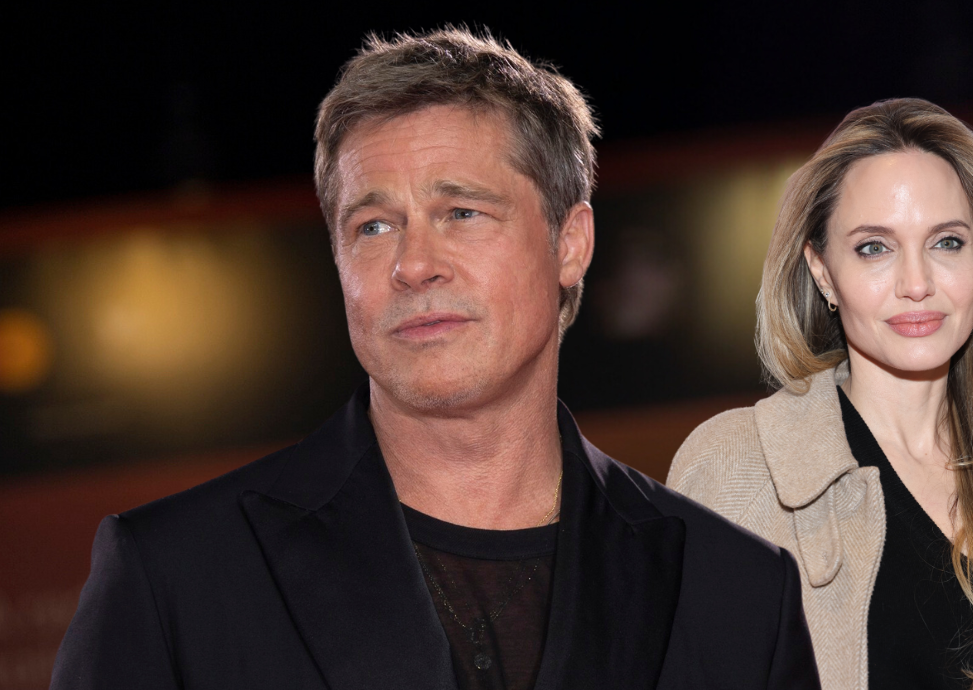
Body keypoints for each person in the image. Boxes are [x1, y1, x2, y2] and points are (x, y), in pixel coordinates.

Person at [51, 29, 820, 690]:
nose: (414, 265)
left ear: (570, 243)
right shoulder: (175, 577)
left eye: (461, 212)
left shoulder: (735, 593)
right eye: (374, 226)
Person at [667, 98, 973, 690]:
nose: (917, 283)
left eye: (947, 242)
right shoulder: (738, 469)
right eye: (875, 247)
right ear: (822, 272)